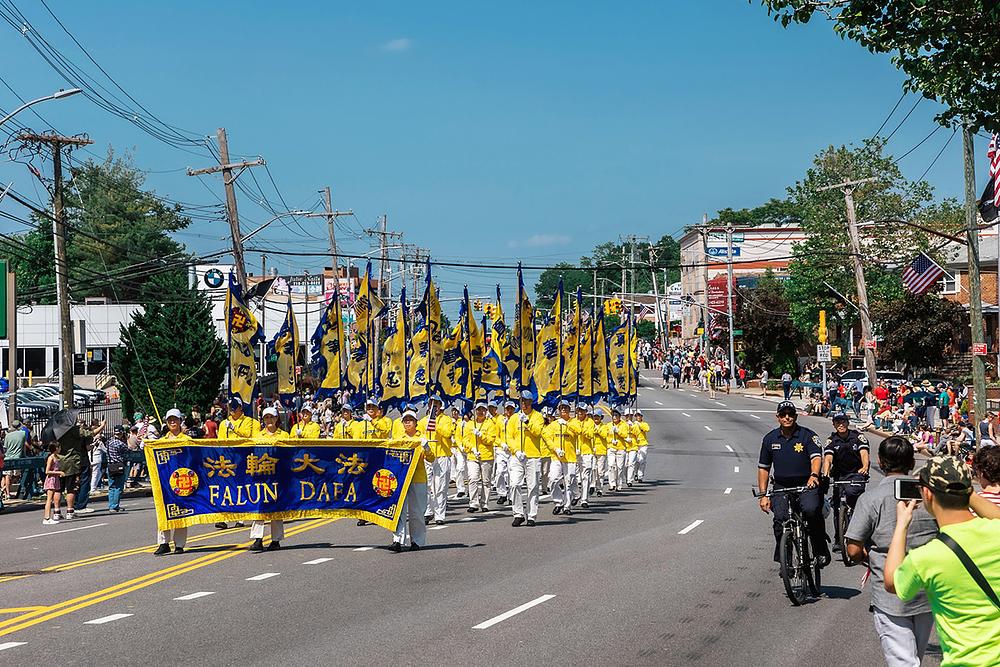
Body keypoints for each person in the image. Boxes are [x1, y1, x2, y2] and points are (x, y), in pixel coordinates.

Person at [885, 456, 1000, 667]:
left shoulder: (926, 557)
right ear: (969, 490)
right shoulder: (996, 532)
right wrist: (966, 490)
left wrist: (901, 525)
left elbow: (892, 581)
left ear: (927, 493)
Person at [845, 436, 939, 667]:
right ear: (911, 463)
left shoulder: (870, 499)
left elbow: (853, 549)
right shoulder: (930, 497)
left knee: (903, 661)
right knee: (913, 656)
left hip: (890, 595)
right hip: (927, 592)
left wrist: (869, 559)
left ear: (880, 461)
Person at [757, 400, 830, 566]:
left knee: (811, 511)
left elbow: (816, 458)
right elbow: (763, 469)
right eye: (783, 415)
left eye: (790, 414)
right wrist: (763, 495)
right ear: (778, 417)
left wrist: (814, 475)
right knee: (780, 520)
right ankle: (785, 559)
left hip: (806, 484)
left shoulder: (808, 435)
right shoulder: (770, 439)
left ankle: (820, 550)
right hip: (781, 486)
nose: (787, 417)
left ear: (796, 416)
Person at [823, 412, 870, 550]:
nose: (841, 424)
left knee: (854, 498)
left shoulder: (857, 437)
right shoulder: (831, 440)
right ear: (834, 424)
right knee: (837, 508)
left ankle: (861, 536)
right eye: (837, 422)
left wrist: (865, 467)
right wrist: (825, 474)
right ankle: (838, 539)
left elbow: (864, 454)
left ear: (848, 423)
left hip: (856, 474)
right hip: (839, 476)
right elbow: (828, 458)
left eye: (843, 421)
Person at [388, 409, 432, 551]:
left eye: (410, 420)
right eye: (405, 420)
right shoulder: (399, 438)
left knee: (417, 512)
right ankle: (397, 540)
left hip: (418, 478)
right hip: (401, 477)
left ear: (415, 423)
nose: (407, 423)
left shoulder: (422, 437)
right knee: (399, 510)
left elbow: (431, 458)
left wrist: (427, 448)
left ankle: (417, 541)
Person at [249, 407, 288, 552]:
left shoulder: (284, 435)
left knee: (276, 509)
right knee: (259, 507)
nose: (269, 420)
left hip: (278, 477)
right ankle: (257, 538)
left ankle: (276, 540)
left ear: (277, 418)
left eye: (271, 417)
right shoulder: (258, 436)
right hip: (262, 476)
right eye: (266, 418)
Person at [154, 408, 189, 555]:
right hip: (165, 482)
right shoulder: (161, 442)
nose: (172, 422)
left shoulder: (187, 441)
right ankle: (163, 542)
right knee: (164, 511)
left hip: (183, 481)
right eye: (170, 420)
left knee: (181, 512)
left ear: (180, 421)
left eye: (175, 419)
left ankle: (179, 544)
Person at [507, 391, 545, 527]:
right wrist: (516, 451)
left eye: (527, 401)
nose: (524, 404)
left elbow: (537, 432)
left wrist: (527, 421)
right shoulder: (513, 418)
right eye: (522, 401)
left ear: (531, 402)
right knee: (515, 484)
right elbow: (509, 437)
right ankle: (518, 514)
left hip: (533, 456)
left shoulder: (538, 416)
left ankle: (531, 515)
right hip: (517, 456)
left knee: (533, 486)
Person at [419, 395, 454, 525]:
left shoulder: (446, 420)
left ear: (440, 406)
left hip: (442, 456)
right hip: (428, 456)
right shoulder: (423, 421)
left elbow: (448, 433)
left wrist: (435, 424)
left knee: (440, 487)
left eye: (436, 405)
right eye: (431, 404)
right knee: (427, 486)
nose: (434, 407)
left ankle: (439, 515)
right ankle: (428, 512)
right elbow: (420, 436)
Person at [545, 400, 579, 516]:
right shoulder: (554, 425)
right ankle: (558, 502)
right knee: (554, 480)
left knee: (568, 483)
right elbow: (546, 437)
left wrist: (567, 424)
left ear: (569, 410)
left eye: (565, 408)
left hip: (570, 458)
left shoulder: (574, 422)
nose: (563, 410)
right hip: (557, 457)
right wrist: (556, 449)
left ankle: (567, 506)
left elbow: (579, 431)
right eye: (561, 408)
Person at [464, 402, 496, 513]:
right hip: (473, 456)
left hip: (486, 456)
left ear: (486, 411)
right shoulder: (469, 424)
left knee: (486, 481)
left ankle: (485, 503)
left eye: (482, 410)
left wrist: (481, 436)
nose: (480, 412)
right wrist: (472, 448)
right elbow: (465, 440)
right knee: (472, 478)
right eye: (478, 410)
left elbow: (491, 440)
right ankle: (473, 503)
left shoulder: (490, 424)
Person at [575, 404, 596, 508]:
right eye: (578, 410)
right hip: (574, 452)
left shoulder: (590, 422)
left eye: (582, 411)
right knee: (574, 477)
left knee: (585, 476)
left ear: (585, 412)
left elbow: (591, 434)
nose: (580, 413)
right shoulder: (573, 421)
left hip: (587, 452)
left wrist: (581, 430)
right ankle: (576, 495)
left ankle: (584, 499)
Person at [106, 425, 129, 513]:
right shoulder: (121, 444)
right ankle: (115, 506)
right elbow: (128, 450)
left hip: (110, 466)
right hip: (119, 466)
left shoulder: (109, 441)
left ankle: (111, 505)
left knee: (111, 486)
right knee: (119, 487)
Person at [2, 419, 27, 501]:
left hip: (7, 457)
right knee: (16, 476)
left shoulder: (7, 435)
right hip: (17, 458)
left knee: (7, 476)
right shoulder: (22, 434)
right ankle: (4, 490)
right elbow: (24, 447)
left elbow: (5, 448)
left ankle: (7, 493)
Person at [42, 442, 63, 525]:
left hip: (55, 479)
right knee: (49, 499)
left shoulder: (56, 457)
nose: (60, 449)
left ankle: (48, 517)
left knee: (51, 499)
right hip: (51, 479)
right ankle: (47, 518)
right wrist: (59, 473)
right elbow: (47, 471)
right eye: (59, 447)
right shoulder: (51, 458)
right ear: (56, 448)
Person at [633, 411, 650, 483]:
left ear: (641, 416)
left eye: (639, 415)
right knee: (636, 461)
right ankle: (635, 473)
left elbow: (647, 429)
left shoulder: (644, 424)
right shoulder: (633, 424)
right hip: (635, 444)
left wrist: (639, 425)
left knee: (642, 460)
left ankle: (640, 476)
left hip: (643, 444)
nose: (638, 417)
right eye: (636, 416)